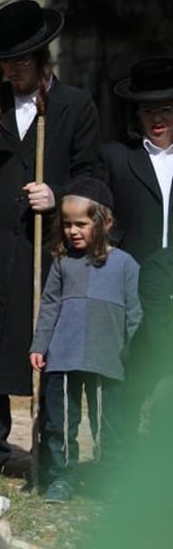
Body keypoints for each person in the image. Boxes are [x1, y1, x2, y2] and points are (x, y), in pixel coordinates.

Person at [0, 0, 101, 473]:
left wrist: (58, 196)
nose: (11, 71)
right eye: (5, 63)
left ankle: (51, 449)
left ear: (41, 58)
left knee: (44, 346)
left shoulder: (74, 105)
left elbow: (92, 175)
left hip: (45, 246)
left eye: (21, 62)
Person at [29, 180, 141, 502]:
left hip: (108, 360)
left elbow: (134, 315)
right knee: (59, 424)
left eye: (81, 223)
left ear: (105, 222)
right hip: (62, 357)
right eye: (66, 224)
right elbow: (49, 305)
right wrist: (39, 345)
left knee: (109, 426)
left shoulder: (125, 265)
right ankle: (61, 479)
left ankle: (107, 480)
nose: (72, 231)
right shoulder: (62, 263)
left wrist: (132, 352)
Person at [101, 57, 173, 436]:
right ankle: (117, 463)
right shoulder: (116, 157)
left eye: (165, 109)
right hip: (133, 283)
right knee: (128, 378)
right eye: (149, 110)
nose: (157, 118)